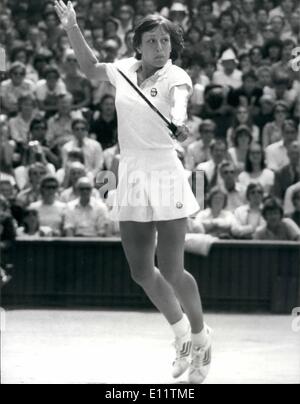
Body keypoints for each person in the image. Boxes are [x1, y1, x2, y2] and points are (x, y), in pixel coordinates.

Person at [55, 1, 212, 384]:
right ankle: (180, 337)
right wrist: (73, 27)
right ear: (137, 46)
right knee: (142, 271)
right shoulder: (123, 70)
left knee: (173, 269)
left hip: (165, 173)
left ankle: (201, 337)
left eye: (166, 41)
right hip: (132, 172)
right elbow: (91, 70)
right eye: (152, 41)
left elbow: (179, 106)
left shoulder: (177, 76)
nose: (161, 47)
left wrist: (178, 122)